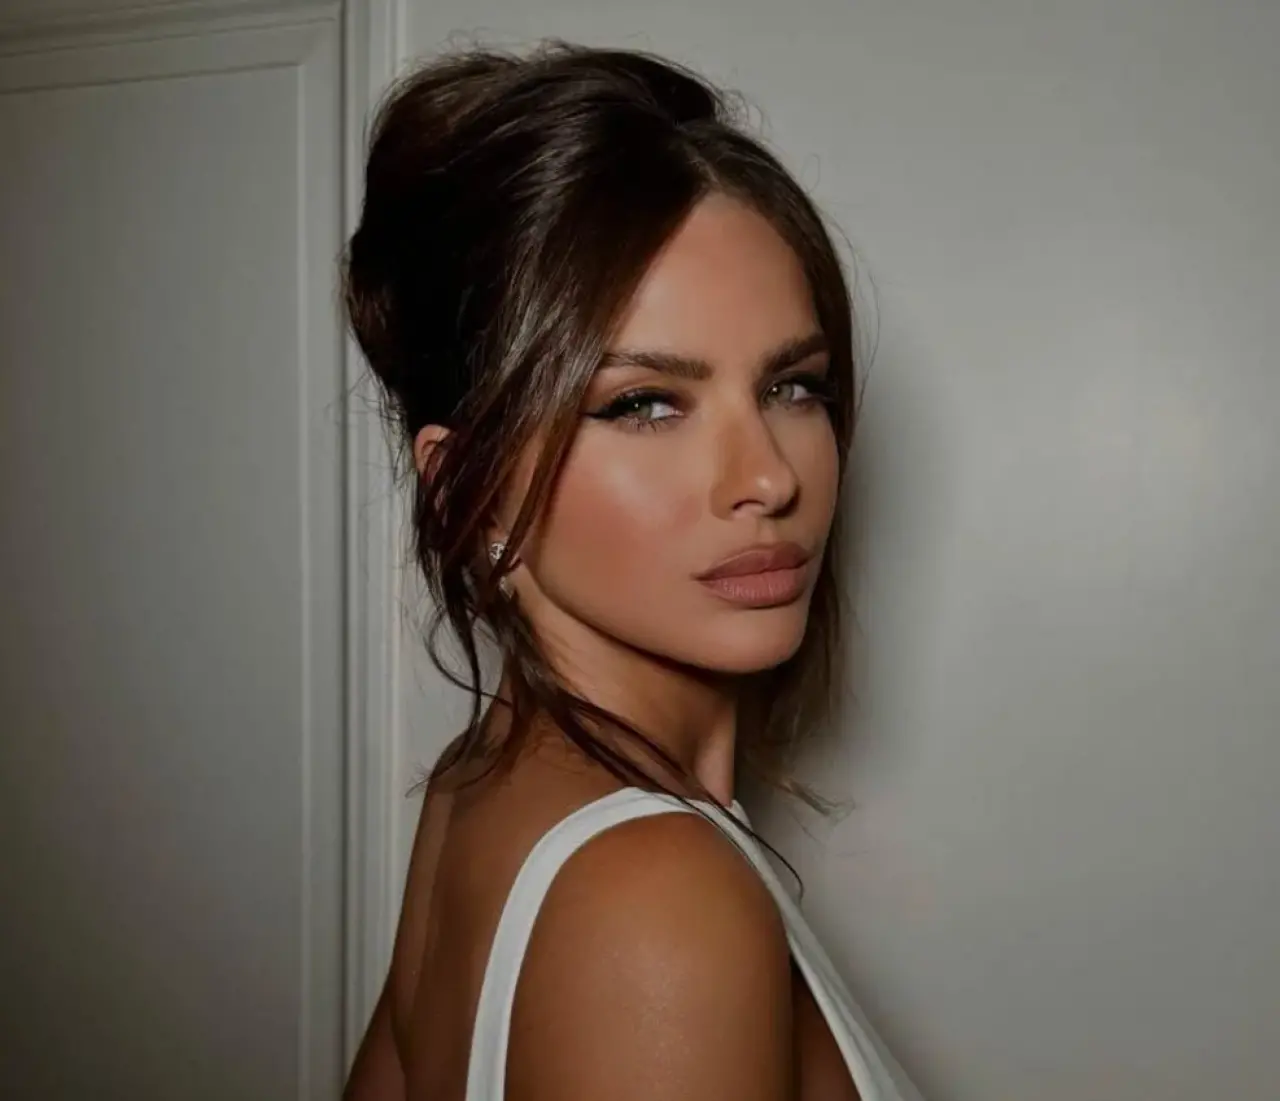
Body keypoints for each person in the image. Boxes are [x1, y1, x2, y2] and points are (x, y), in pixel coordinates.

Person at [340, 39, 924, 1101]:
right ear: (466, 489)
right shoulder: (657, 898)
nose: (768, 477)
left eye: (793, 387)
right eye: (644, 403)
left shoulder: (486, 783)